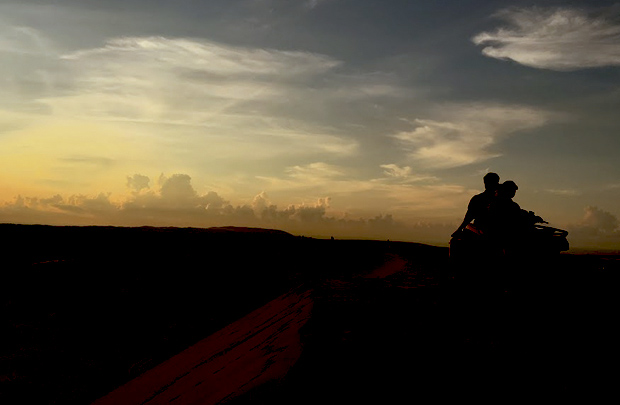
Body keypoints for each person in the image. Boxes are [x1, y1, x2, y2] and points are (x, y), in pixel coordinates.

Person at [452, 172, 500, 237]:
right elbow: (469, 216)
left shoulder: (500, 200)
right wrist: (459, 229)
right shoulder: (478, 199)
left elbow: (469, 217)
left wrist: (459, 229)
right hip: (481, 232)